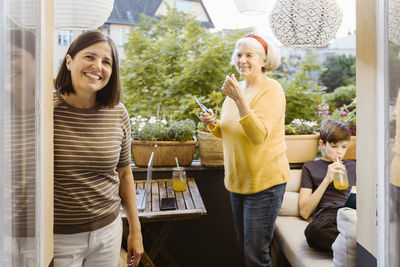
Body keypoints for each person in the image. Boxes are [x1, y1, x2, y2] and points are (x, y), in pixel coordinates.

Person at [53, 30, 143, 267]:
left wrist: (135, 229)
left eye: (106, 62)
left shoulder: (118, 113)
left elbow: (124, 174)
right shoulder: (47, 110)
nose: (97, 66)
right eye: (90, 57)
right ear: (69, 60)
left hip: (108, 231)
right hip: (58, 237)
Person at [200, 34, 290, 267]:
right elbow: (230, 131)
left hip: (265, 184)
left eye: (249, 55)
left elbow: (258, 136)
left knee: (255, 255)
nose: (242, 60)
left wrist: (240, 100)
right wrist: (213, 124)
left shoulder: (272, 90)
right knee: (244, 247)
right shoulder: (236, 90)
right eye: (239, 55)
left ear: (263, 60)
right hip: (238, 183)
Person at [299, 119, 356, 252]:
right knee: (314, 232)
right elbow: (304, 212)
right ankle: (356, 249)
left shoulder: (354, 166)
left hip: (352, 213)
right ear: (322, 144)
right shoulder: (311, 167)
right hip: (328, 217)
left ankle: (349, 247)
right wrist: (327, 179)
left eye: (344, 147)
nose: (340, 152)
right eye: (335, 146)